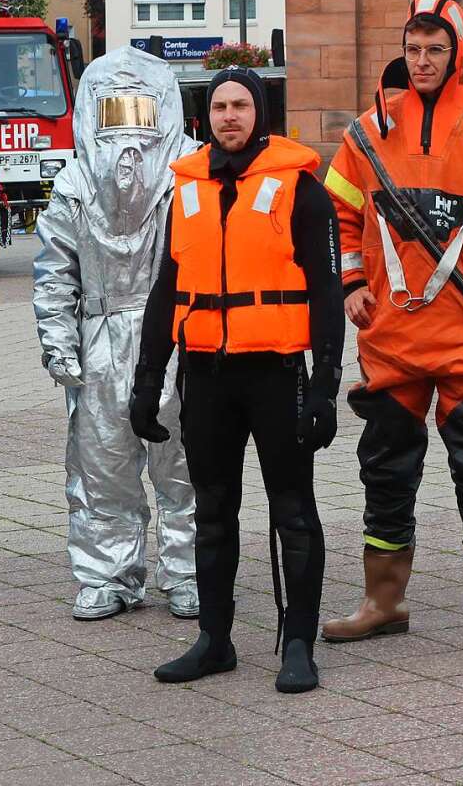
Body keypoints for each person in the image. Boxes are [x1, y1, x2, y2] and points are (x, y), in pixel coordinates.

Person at [322, 0, 463, 655]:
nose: (420, 61)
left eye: (433, 50)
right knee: (384, 469)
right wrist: (351, 284)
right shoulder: (369, 129)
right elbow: (340, 217)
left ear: (456, 53)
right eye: (412, 49)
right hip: (391, 337)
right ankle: (382, 602)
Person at [131, 67, 345, 693]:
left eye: (241, 105)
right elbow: (167, 290)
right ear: (207, 115)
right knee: (215, 511)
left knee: (294, 510)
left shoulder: (299, 187)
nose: (230, 116)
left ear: (261, 113)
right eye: (220, 105)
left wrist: (327, 383)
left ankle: (298, 643)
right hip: (207, 376)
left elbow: (327, 290)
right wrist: (149, 379)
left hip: (277, 375)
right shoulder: (187, 188)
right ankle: (214, 640)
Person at [33, 46, 199, 622]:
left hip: (175, 338)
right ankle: (108, 575)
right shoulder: (74, 181)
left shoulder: (189, 173)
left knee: (183, 464)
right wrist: (58, 341)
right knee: (102, 465)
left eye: (140, 110)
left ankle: (190, 574)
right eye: (114, 111)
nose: (128, 129)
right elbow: (56, 269)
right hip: (100, 336)